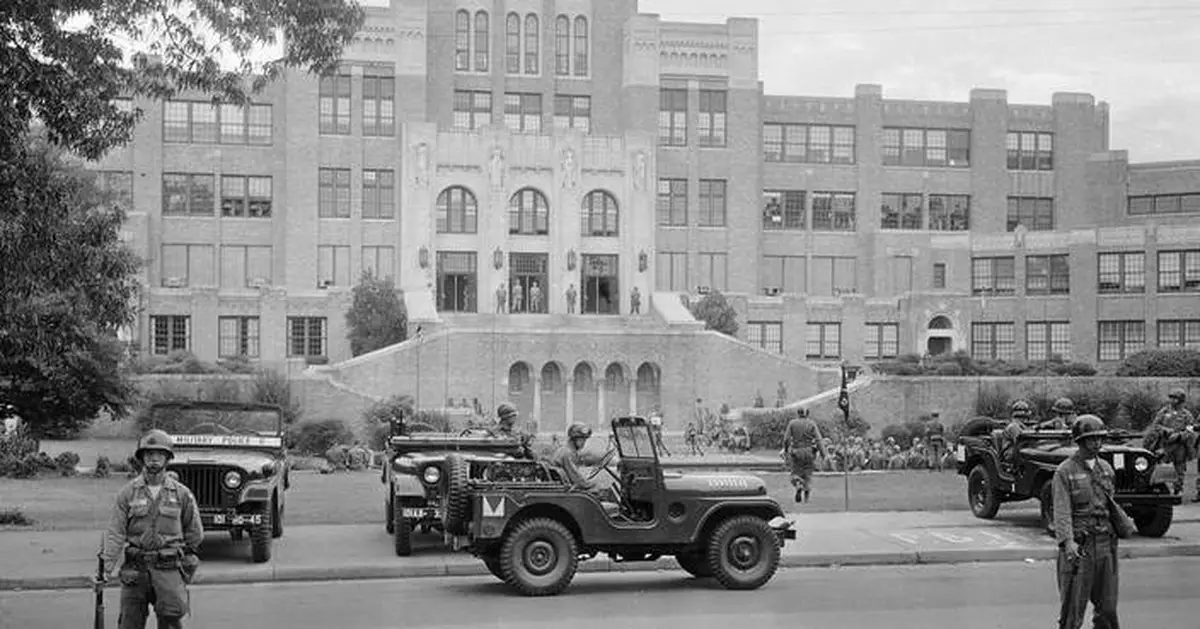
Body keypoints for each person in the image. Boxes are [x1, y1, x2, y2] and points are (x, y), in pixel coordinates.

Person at [99, 429, 203, 629]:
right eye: (149, 454)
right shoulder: (127, 493)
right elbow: (116, 533)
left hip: (169, 568)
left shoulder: (182, 494)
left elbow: (195, 533)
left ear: (167, 458)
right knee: (130, 623)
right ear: (141, 458)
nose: (154, 460)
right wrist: (105, 568)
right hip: (135, 570)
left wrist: (184, 559)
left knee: (171, 620)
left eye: (159, 455)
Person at [1051, 414, 1136, 629]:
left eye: (1100, 438)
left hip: (1106, 543)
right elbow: (1062, 511)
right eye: (1091, 439)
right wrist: (1068, 542)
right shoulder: (1065, 471)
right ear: (1080, 441)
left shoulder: (1106, 469)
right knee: (1072, 612)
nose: (1097, 443)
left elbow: (1110, 503)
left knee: (1108, 609)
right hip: (1081, 547)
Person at [1144, 388, 1197, 498]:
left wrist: (1179, 436)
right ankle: (1161, 490)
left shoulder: (1187, 415)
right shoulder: (1164, 411)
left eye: (1175, 398)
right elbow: (1155, 425)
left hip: (1179, 446)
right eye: (1171, 398)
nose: (1172, 400)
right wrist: (1165, 430)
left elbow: (1190, 431)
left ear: (1181, 400)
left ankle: (1178, 490)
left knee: (1180, 468)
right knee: (1160, 467)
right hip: (1164, 445)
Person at [549, 423, 612, 499]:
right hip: (569, 490)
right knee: (606, 491)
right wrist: (591, 484)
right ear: (573, 439)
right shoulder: (567, 453)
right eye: (581, 439)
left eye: (585, 439)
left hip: (566, 487)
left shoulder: (564, 450)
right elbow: (577, 478)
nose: (584, 442)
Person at [782, 408, 829, 503]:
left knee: (795, 473)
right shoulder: (811, 424)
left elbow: (786, 439)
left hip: (796, 452)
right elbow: (818, 440)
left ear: (798, 413)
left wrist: (786, 451)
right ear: (807, 413)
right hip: (809, 452)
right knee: (808, 474)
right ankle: (806, 498)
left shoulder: (792, 423)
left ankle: (798, 485)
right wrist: (824, 454)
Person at [1000, 399, 1035, 469]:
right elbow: (1021, 441)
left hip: (1016, 452)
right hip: (1011, 454)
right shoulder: (1013, 426)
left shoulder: (1021, 425)